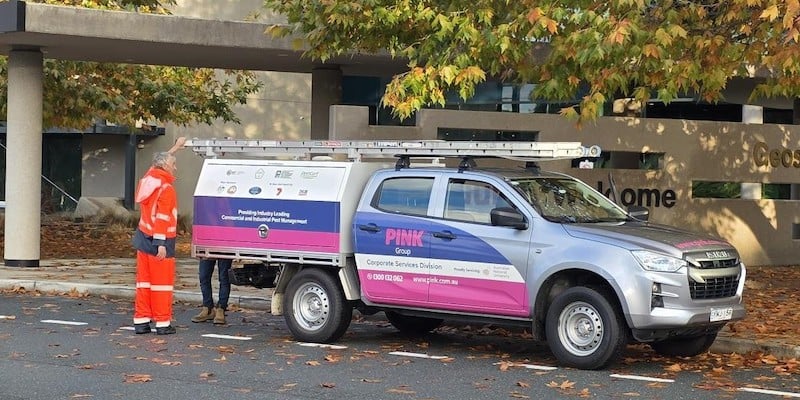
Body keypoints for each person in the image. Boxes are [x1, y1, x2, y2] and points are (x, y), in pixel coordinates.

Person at [131, 137, 185, 335]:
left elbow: (161, 161)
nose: (175, 168)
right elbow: (162, 218)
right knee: (162, 284)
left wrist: (176, 148)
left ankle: (141, 321)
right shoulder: (166, 188)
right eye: (173, 165)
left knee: (144, 282)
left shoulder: (149, 180)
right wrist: (161, 244)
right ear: (165, 166)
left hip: (143, 238)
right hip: (160, 241)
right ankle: (163, 323)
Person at [191, 258, 233, 325]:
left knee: (224, 278)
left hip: (224, 249)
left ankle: (221, 308)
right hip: (208, 248)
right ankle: (208, 308)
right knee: (203, 277)